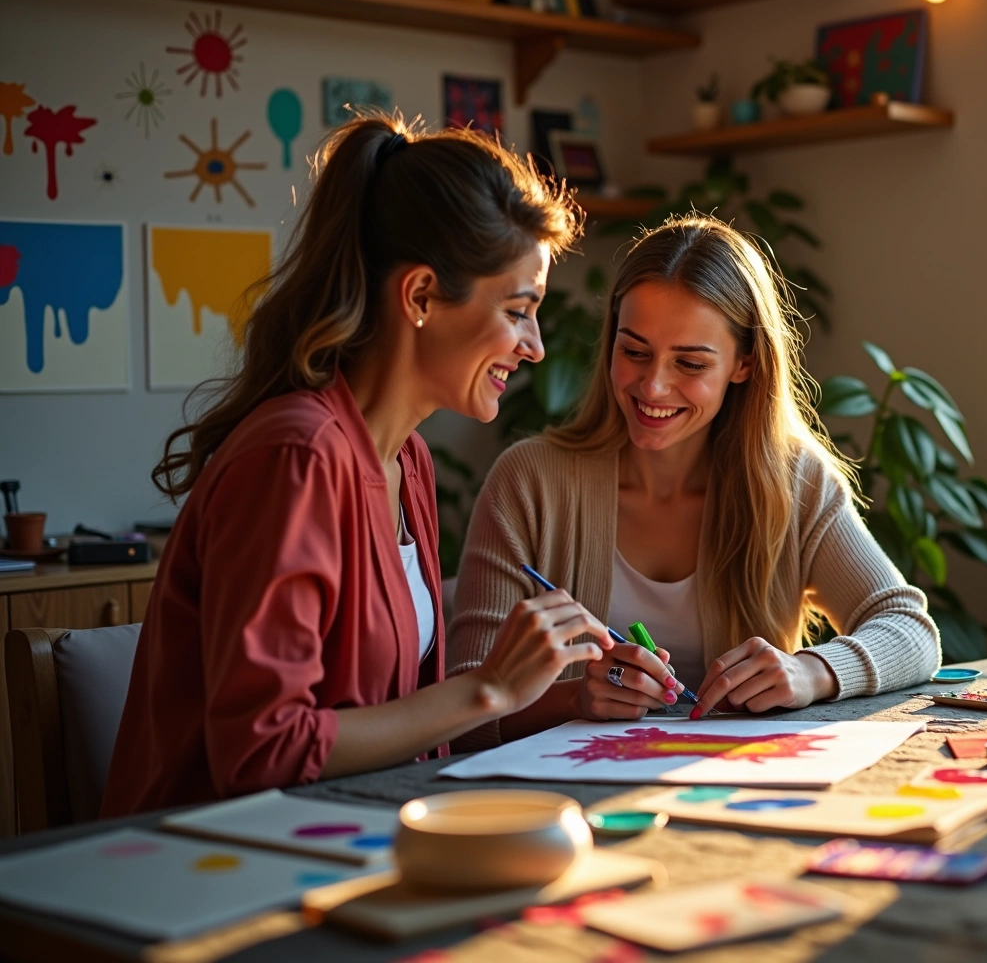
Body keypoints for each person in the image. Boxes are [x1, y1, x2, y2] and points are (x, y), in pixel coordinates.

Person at [102, 116, 612, 816]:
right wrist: (487, 688)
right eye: (520, 311)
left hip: (349, 834)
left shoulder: (408, 460)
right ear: (422, 296)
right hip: (214, 866)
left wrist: (558, 694)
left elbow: (405, 729)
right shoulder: (297, 458)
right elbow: (261, 752)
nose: (535, 349)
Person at [448, 215, 940, 747]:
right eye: (634, 351)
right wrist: (575, 699)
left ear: (744, 364)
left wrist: (811, 672)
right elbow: (461, 707)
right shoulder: (529, 483)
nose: (653, 385)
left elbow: (909, 627)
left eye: (690, 363)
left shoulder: (794, 482)